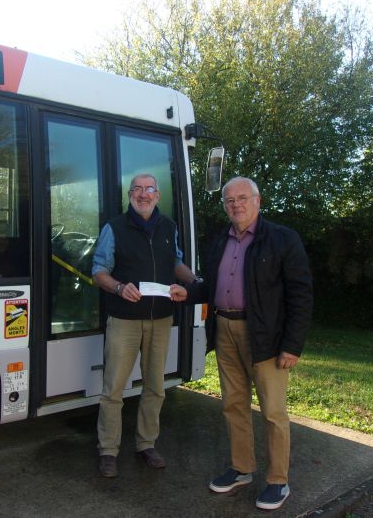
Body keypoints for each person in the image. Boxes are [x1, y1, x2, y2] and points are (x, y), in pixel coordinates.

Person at [171, 176, 313, 510]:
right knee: (233, 405)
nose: (236, 204)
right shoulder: (220, 240)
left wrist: (292, 345)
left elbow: (301, 295)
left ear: (258, 200)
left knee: (273, 412)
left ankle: (278, 481)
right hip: (225, 330)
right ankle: (242, 469)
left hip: (266, 337)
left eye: (242, 198)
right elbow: (211, 286)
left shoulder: (281, 239)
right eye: (229, 200)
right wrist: (188, 292)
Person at [91, 173, 196, 478]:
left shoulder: (169, 227)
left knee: (155, 387)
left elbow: (176, 262)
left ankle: (146, 444)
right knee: (113, 389)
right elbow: (99, 270)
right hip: (124, 319)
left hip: (161, 318)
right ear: (130, 195)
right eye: (137, 189)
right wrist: (119, 287)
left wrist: (194, 282)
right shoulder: (114, 227)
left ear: (158, 195)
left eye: (149, 189)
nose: (143, 194)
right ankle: (108, 450)